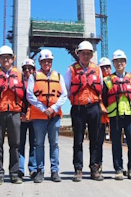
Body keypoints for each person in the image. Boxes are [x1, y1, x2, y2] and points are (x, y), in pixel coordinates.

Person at [0, 45, 27, 185]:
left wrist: (24, 112)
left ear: (12, 59)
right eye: (3, 58)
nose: (6, 60)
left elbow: (25, 95)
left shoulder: (19, 74)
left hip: (15, 113)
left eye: (8, 57)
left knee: (15, 144)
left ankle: (14, 173)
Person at [64, 40, 104, 182]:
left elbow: (102, 87)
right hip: (78, 108)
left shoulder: (97, 70)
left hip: (94, 107)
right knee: (78, 140)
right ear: (78, 54)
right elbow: (67, 89)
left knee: (95, 139)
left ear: (92, 55)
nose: (86, 56)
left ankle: (94, 168)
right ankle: (78, 169)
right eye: (83, 54)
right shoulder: (71, 70)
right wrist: (77, 101)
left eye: (88, 54)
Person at [26, 49, 68, 183]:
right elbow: (29, 95)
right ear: (40, 62)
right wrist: (43, 109)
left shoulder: (59, 76)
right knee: (39, 144)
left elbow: (64, 95)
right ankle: (40, 171)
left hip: (54, 115)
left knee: (54, 144)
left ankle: (55, 171)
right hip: (39, 116)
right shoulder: (34, 76)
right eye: (44, 61)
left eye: (49, 61)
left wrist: (53, 108)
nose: (47, 64)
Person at [103, 50, 131, 181]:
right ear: (113, 63)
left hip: (130, 115)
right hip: (115, 115)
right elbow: (105, 99)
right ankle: (118, 169)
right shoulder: (107, 80)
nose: (119, 64)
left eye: (122, 61)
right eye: (117, 61)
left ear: (126, 63)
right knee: (116, 144)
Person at [19, 58, 37, 179]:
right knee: (20, 144)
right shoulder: (18, 83)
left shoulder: (38, 82)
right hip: (21, 117)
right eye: (25, 69)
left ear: (34, 70)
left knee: (34, 143)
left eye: (30, 68)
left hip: (34, 116)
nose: (27, 71)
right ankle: (20, 169)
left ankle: (33, 169)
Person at [95, 57, 112, 173]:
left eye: (107, 67)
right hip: (101, 116)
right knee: (98, 141)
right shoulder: (97, 81)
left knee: (117, 141)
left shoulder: (114, 80)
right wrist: (102, 108)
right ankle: (98, 164)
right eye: (102, 67)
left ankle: (119, 166)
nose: (105, 69)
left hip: (113, 115)